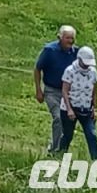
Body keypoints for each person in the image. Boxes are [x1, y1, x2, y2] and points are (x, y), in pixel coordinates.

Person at [35, 25, 79, 156]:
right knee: (58, 118)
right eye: (67, 38)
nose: (70, 41)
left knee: (68, 121)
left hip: (69, 93)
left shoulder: (76, 53)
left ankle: (62, 148)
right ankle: (54, 150)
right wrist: (38, 90)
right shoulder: (49, 50)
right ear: (60, 37)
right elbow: (37, 69)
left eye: (72, 38)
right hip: (52, 91)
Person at [59, 45, 97, 158]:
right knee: (68, 135)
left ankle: (96, 160)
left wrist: (95, 108)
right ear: (80, 59)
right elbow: (64, 91)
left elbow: (94, 91)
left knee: (92, 134)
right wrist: (69, 109)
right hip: (71, 107)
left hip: (86, 108)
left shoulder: (93, 72)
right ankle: (60, 156)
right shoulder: (70, 71)